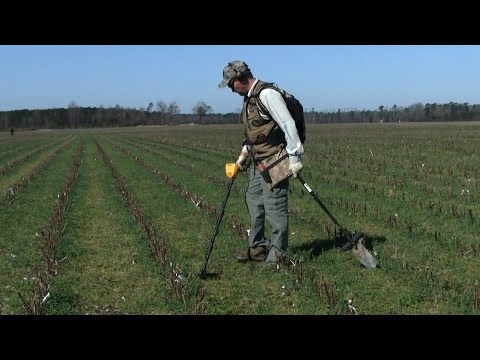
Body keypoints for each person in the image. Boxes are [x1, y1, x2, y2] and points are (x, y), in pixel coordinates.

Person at [218, 60, 304, 264]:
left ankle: (277, 256)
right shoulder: (249, 99)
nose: (230, 89)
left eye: (231, 84)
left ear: (241, 78)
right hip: (258, 160)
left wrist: (294, 158)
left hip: (276, 160)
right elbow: (256, 134)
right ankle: (258, 248)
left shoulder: (267, 95)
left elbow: (287, 124)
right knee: (253, 200)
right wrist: (242, 157)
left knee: (275, 207)